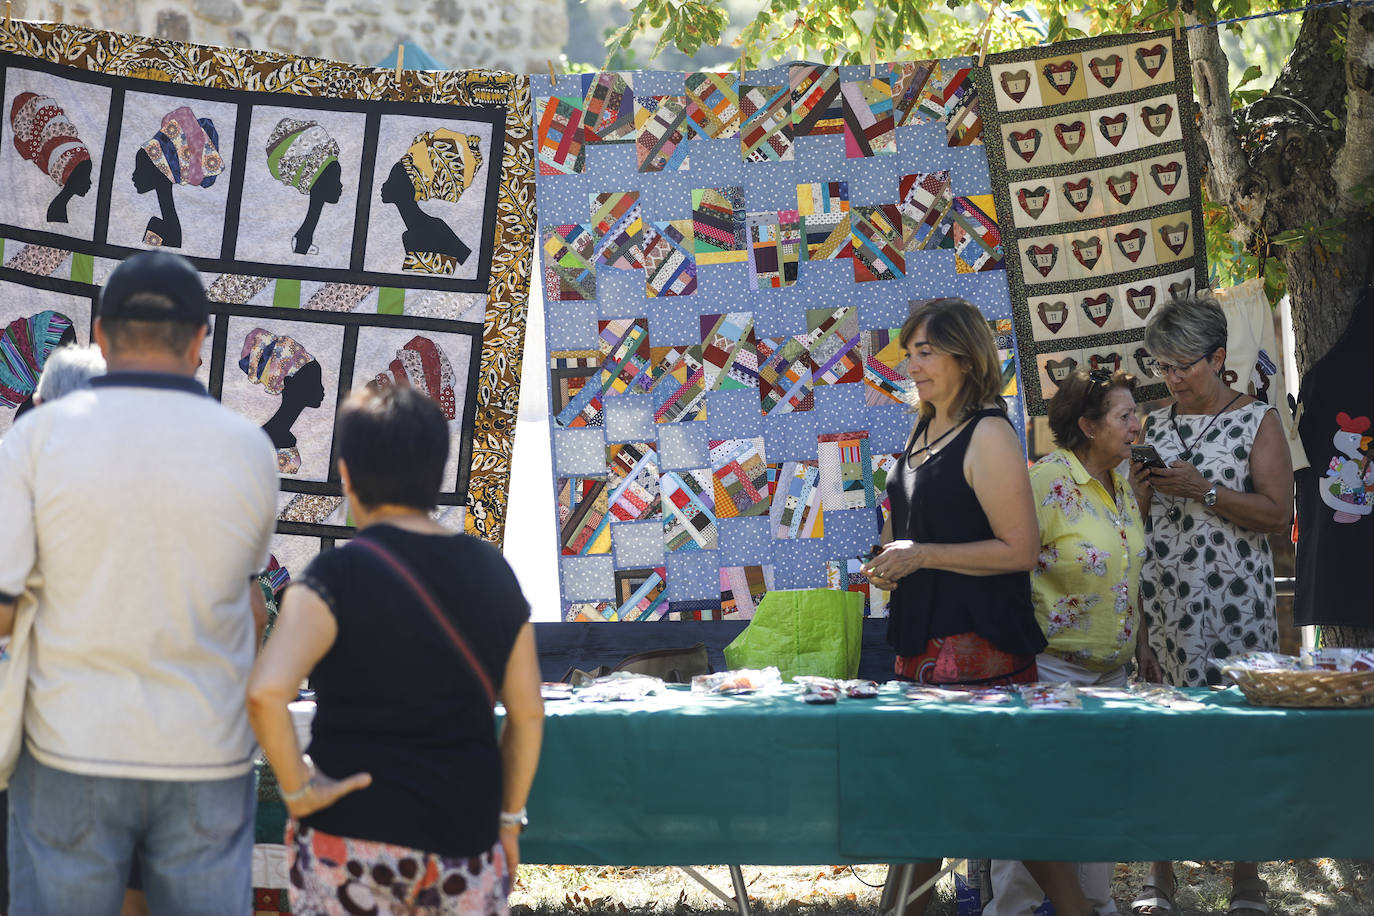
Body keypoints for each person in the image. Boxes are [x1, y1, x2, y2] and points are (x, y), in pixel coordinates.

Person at [0, 250, 279, 914]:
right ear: (201, 343)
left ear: (99, 335)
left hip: (71, 744)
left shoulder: (34, 443)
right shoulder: (251, 452)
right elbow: (250, 606)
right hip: (204, 751)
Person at [246, 384, 543, 915]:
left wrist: (299, 793)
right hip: (463, 839)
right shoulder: (492, 573)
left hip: (349, 841)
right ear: (438, 474)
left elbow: (267, 693)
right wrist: (508, 822)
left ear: (347, 476)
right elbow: (526, 712)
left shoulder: (331, 578)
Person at [860, 297, 1100, 916]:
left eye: (926, 352)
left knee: (1006, 809)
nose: (911, 364)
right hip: (923, 646)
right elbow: (928, 532)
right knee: (927, 806)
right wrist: (895, 560)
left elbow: (1020, 550)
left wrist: (924, 555)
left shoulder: (989, 433)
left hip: (979, 652)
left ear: (966, 358)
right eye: (908, 351)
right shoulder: (922, 426)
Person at [1130, 296, 1293, 916]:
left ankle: (1246, 879)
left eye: (1182, 366)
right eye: (1162, 367)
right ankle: (1159, 879)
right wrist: (1145, 496)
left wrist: (1205, 489)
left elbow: (1278, 514)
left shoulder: (1257, 420)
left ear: (1219, 358)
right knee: (1163, 740)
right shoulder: (1154, 425)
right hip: (1165, 607)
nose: (1171, 378)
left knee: (1236, 738)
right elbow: (1136, 525)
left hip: (1234, 611)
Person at [984, 368, 1162, 916]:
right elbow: (1006, 564)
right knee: (1039, 808)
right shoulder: (1045, 483)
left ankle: (1094, 906)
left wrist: (1145, 644)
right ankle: (1010, 910)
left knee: (1099, 807)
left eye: (1137, 413)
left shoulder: (1124, 483)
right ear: (1087, 425)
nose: (1138, 424)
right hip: (1051, 671)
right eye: (1125, 415)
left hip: (1113, 674)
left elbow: (1128, 570)